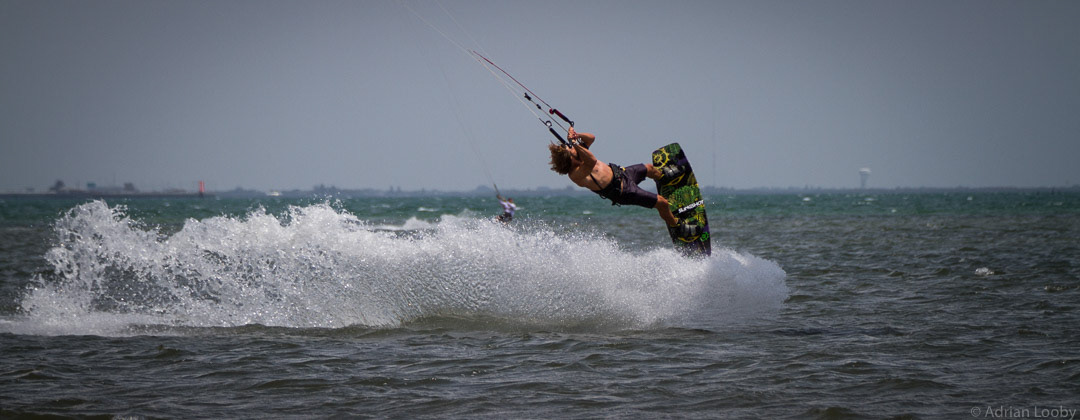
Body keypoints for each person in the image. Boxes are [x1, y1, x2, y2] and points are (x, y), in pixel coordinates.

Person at [548, 127, 689, 233]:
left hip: (623, 174)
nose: (572, 147)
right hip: (623, 191)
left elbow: (591, 138)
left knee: (649, 168)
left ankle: (664, 178)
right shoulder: (575, 174)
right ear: (569, 158)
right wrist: (575, 143)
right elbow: (592, 161)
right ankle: (677, 225)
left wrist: (577, 135)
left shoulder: (579, 154)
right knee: (661, 203)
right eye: (570, 148)